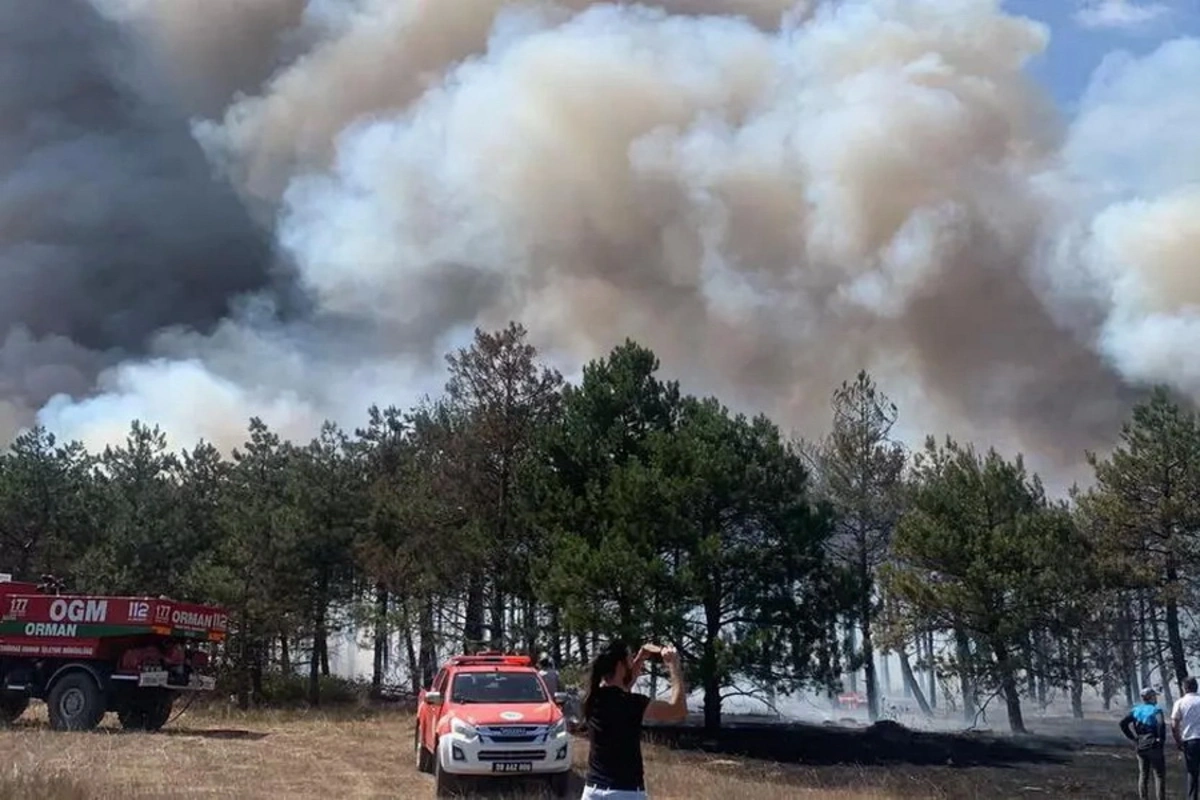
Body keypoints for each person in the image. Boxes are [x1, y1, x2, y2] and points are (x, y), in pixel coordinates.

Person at [580, 639, 687, 799]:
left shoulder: (592, 698)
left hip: (592, 791)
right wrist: (674, 666)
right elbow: (678, 709)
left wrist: (641, 657)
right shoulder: (632, 703)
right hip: (625, 792)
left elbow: (622, 685)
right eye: (630, 658)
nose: (632, 661)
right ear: (620, 665)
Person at [1120, 687, 1167, 800]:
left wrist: (1133, 738)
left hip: (1140, 745)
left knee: (1143, 774)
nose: (1156, 698)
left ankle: (1143, 798)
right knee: (1159, 775)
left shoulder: (1136, 710)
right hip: (1153, 744)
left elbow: (1122, 723)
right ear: (1151, 697)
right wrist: (1161, 739)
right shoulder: (1156, 709)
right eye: (1154, 696)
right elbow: (1160, 724)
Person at [1173, 676, 1200, 800]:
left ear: (1184, 688)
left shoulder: (1180, 702)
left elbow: (1174, 724)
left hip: (1190, 740)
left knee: (1192, 772)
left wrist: (1178, 741)